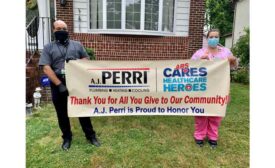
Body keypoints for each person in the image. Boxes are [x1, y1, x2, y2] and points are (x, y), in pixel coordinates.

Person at [39, 20, 100, 150]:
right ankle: (67, 138)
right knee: (62, 113)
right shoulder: (48, 47)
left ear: (67, 30)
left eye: (64, 28)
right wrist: (59, 84)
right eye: (58, 28)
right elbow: (45, 67)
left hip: (76, 82)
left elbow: (86, 60)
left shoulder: (77, 45)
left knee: (82, 110)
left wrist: (76, 62)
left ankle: (90, 135)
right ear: (54, 31)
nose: (61, 30)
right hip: (58, 83)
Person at [191, 29, 237, 148]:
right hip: (203, 88)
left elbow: (233, 65)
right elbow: (190, 67)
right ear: (207, 38)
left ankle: (212, 137)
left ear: (219, 38)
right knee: (201, 112)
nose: (214, 39)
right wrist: (201, 60)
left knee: (216, 113)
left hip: (220, 88)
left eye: (216, 36)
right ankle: (199, 136)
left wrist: (233, 59)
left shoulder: (225, 52)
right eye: (211, 37)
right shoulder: (200, 52)